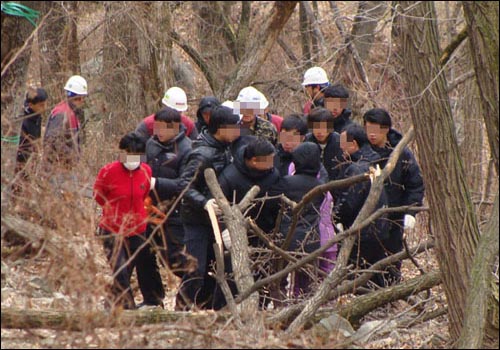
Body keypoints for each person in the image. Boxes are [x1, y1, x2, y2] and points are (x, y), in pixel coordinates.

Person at [177, 105, 240, 310]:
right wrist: (205, 203)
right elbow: (184, 186)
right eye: (233, 127)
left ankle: (214, 310)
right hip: (197, 220)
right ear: (221, 128)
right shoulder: (201, 154)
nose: (237, 131)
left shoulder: (228, 148)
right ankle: (182, 310)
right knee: (195, 269)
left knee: (220, 267)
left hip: (220, 221)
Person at [93, 132, 165, 310]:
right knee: (120, 270)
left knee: (128, 269)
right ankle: (129, 308)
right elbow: (99, 196)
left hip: (138, 229)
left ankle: (111, 304)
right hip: (112, 228)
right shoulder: (108, 171)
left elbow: (145, 192)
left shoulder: (146, 171)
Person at [218, 136, 281, 308]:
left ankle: (260, 307)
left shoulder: (273, 174)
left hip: (265, 231)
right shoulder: (230, 176)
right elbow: (220, 205)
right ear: (254, 161)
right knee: (235, 274)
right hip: (237, 232)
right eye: (268, 160)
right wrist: (226, 230)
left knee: (263, 273)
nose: (272, 163)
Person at [363, 108, 424, 284]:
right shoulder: (361, 151)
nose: (372, 134)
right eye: (369, 129)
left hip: (393, 219)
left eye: (377, 129)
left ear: (386, 129)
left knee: (391, 262)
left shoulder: (402, 153)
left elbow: (415, 184)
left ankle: (391, 297)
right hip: (366, 219)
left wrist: (410, 212)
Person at [334, 124, 389, 287]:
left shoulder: (358, 168)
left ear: (354, 144)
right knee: (374, 275)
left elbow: (350, 201)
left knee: (358, 277)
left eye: (344, 145)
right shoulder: (374, 161)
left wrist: (336, 217)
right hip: (379, 226)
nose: (341, 149)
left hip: (363, 231)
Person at [279, 142, 337, 297]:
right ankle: (302, 309)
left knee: (279, 281)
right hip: (310, 238)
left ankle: (277, 309)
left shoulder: (285, 182)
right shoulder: (320, 187)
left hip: (285, 238)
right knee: (305, 283)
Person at [145, 106, 194, 279]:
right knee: (145, 254)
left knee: (175, 261)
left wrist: (155, 183)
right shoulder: (150, 144)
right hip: (149, 209)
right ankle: (152, 298)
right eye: (156, 126)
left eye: (163, 128)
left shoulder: (187, 150)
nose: (158, 131)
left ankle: (197, 293)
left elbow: (184, 184)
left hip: (175, 213)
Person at [43, 75, 87, 170]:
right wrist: (71, 156)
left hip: (66, 167)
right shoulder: (62, 113)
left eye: (83, 98)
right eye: (79, 98)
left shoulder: (72, 112)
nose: (82, 101)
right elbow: (52, 140)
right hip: (56, 168)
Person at [304, 107, 345, 201]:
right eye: (316, 127)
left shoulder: (340, 141)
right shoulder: (306, 142)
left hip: (335, 190)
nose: (320, 132)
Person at [15, 87, 48, 180]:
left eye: (46, 104)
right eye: (41, 105)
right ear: (30, 105)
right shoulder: (23, 121)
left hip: (31, 163)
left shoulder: (37, 117)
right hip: (20, 163)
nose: (45, 108)